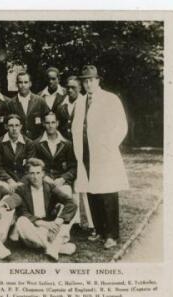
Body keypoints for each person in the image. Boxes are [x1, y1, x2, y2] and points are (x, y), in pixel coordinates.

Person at [72, 65, 129, 249]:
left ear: (98, 81)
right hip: (86, 153)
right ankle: (99, 229)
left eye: (91, 80)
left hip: (105, 154)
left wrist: (108, 145)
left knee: (108, 192)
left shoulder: (110, 99)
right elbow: (77, 126)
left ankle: (111, 234)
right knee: (91, 191)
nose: (88, 84)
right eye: (85, 81)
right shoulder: (80, 102)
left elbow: (121, 126)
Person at [4, 158, 77, 261]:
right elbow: (23, 213)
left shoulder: (50, 187)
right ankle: (55, 247)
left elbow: (71, 203)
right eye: (32, 173)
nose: (35, 177)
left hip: (50, 229)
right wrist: (42, 223)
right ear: (27, 174)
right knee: (21, 221)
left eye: (38, 173)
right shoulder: (22, 189)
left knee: (70, 212)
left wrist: (57, 222)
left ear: (43, 173)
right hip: (32, 232)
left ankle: (54, 244)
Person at [33, 112, 76, 198]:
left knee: (66, 197)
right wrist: (44, 177)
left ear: (57, 123)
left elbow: (74, 167)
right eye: (48, 123)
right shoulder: (36, 144)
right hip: (43, 181)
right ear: (43, 124)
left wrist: (63, 179)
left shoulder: (67, 144)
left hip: (62, 183)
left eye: (53, 122)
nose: (50, 125)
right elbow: (33, 165)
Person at [0, 114, 35, 192]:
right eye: (11, 125)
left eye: (17, 125)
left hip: (24, 180)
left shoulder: (29, 143)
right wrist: (9, 180)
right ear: (6, 127)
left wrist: (21, 182)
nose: (14, 128)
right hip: (5, 180)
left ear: (21, 126)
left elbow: (30, 166)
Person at [7, 71, 50, 140]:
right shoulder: (11, 103)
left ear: (30, 84)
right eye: (20, 82)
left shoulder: (40, 101)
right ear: (16, 84)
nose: (23, 85)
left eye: (26, 82)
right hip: (19, 142)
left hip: (37, 141)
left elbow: (47, 120)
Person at [55, 75, 83, 140]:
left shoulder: (85, 104)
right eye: (68, 87)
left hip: (80, 143)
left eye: (73, 87)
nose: (70, 90)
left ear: (80, 88)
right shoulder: (60, 104)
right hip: (64, 144)